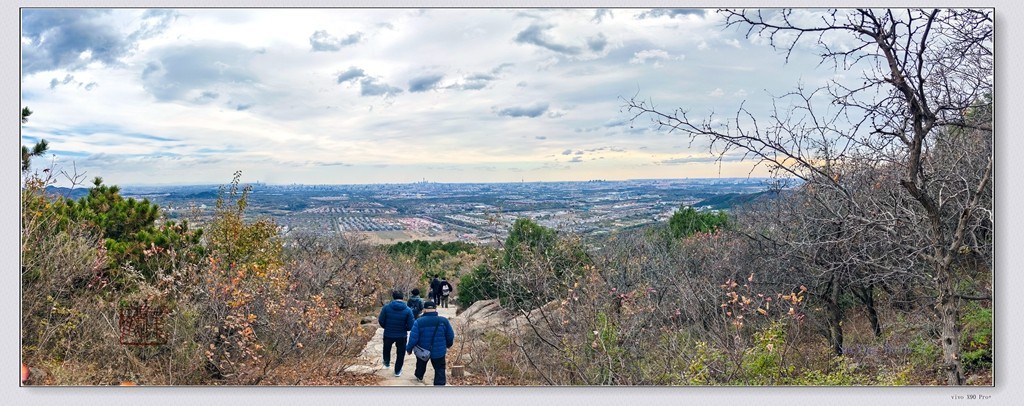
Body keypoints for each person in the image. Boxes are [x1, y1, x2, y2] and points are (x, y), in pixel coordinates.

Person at [406, 301, 455, 386]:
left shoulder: (419, 322)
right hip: (439, 350)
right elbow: (450, 335)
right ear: (435, 309)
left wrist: (409, 349)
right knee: (440, 368)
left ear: (424, 310)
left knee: (420, 365)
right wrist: (448, 344)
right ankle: (439, 385)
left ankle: (419, 377)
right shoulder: (444, 321)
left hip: (422, 350)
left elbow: (413, 338)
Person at [378, 290, 414, 377]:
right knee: (400, 353)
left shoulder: (386, 308)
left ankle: (386, 362)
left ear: (393, 297)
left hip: (388, 333)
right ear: (402, 297)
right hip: (402, 335)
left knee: (386, 349)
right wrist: (405, 329)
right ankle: (397, 371)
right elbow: (410, 325)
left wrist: (386, 327)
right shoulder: (408, 310)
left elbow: (381, 320)